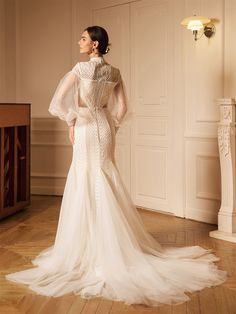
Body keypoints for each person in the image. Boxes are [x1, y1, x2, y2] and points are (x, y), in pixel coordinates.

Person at [6, 26, 227, 307]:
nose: (79, 41)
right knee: (105, 176)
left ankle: (88, 246)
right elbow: (122, 108)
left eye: (84, 38)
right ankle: (114, 245)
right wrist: (113, 125)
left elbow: (58, 102)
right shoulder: (115, 73)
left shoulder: (80, 69)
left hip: (86, 127)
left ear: (95, 44)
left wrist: (73, 121)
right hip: (105, 126)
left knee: (86, 178)